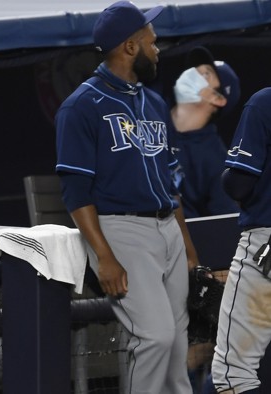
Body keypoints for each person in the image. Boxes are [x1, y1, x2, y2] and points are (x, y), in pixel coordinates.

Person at [54, 2, 201, 393]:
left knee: (177, 341)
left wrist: (186, 245)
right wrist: (104, 256)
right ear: (130, 48)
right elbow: (75, 192)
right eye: (152, 43)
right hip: (122, 229)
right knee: (154, 337)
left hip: (166, 224)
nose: (158, 50)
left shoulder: (152, 101)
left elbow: (171, 181)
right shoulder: (81, 107)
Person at [210, 87, 271, 394]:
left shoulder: (265, 102)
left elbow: (238, 184)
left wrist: (225, 178)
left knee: (233, 375)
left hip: (267, 247)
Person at [169, 46, 241, 218]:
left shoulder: (216, 160)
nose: (192, 73)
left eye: (206, 74)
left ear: (217, 99)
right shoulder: (146, 109)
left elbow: (224, 225)